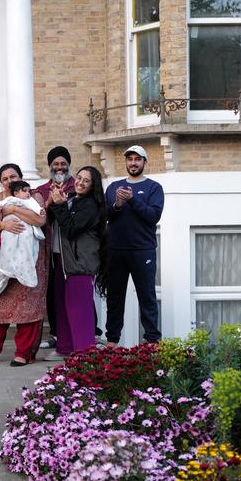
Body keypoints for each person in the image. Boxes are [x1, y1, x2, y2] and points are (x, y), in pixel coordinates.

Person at [0, 163, 47, 367]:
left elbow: (39, 220)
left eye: (13, 176)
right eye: (5, 178)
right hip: (2, 258)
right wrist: (3, 224)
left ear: (21, 177)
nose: (10, 181)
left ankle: (23, 353)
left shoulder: (33, 195)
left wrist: (14, 209)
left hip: (28, 258)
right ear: (1, 182)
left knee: (28, 305)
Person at [43, 166, 108, 361]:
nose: (80, 182)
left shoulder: (91, 205)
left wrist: (61, 205)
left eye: (86, 181)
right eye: (79, 178)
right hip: (62, 261)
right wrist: (55, 200)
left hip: (80, 263)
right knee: (62, 306)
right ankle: (65, 347)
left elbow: (72, 230)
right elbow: (53, 219)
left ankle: (84, 352)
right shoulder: (72, 198)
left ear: (93, 185)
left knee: (79, 309)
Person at [104, 145, 164, 348]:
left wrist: (132, 200)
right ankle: (112, 341)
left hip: (142, 250)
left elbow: (153, 216)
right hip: (116, 250)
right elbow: (105, 216)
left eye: (138, 159)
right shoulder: (113, 187)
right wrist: (117, 205)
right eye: (130, 159)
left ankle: (152, 341)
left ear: (145, 162)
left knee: (146, 296)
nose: (133, 163)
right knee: (114, 298)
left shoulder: (154, 187)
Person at [35, 146, 76, 349]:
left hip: (74, 249)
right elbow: (38, 216)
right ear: (50, 166)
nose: (59, 167)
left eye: (63, 163)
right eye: (55, 164)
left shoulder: (79, 186)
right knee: (53, 293)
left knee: (75, 291)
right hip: (51, 250)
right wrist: (51, 201)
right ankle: (56, 334)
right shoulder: (41, 191)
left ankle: (86, 330)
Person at [0, 181, 45, 296]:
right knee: (7, 245)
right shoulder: (9, 199)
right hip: (9, 227)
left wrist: (41, 210)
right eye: (24, 191)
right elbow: (0, 205)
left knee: (28, 244)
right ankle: (5, 271)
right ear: (16, 192)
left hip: (25, 227)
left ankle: (27, 272)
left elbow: (37, 210)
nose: (28, 194)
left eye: (29, 191)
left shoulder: (30, 201)